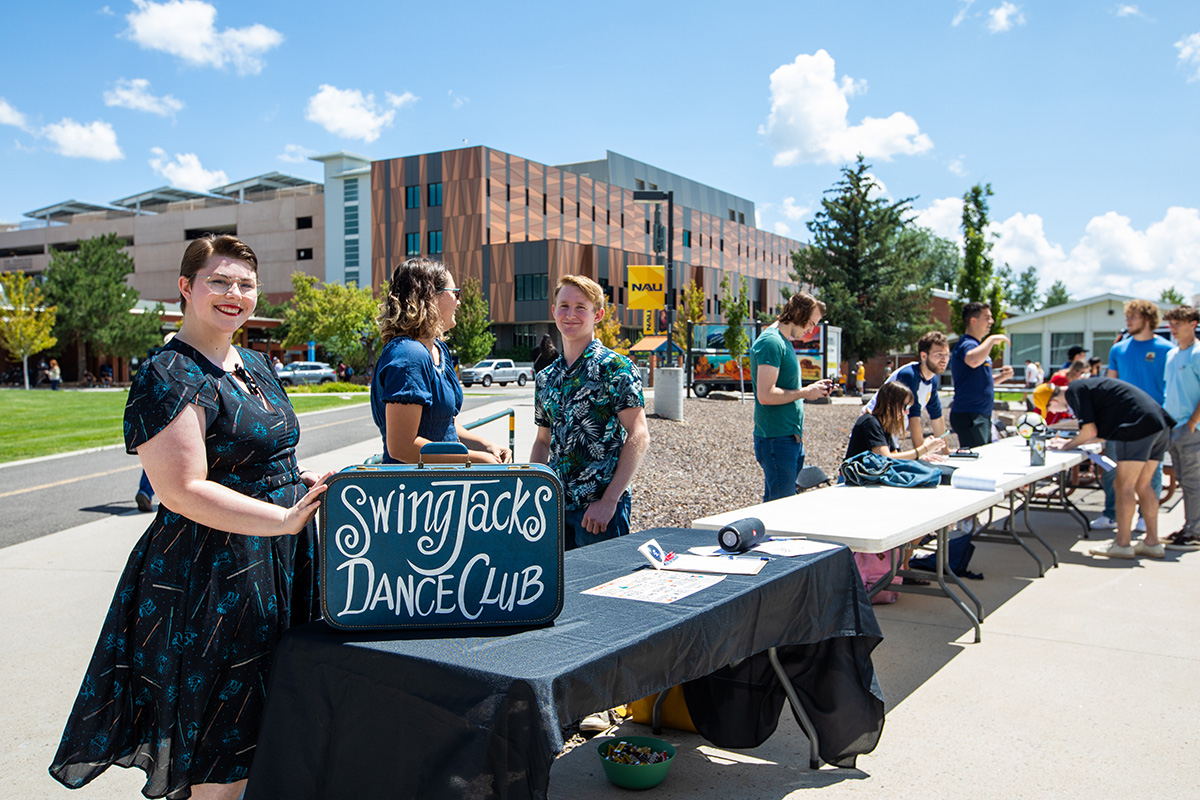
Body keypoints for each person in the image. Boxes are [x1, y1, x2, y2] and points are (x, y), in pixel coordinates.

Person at [50, 235, 330, 799]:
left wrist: (295, 486)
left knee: (265, 734)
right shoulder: (169, 374)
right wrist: (279, 519)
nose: (234, 294)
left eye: (245, 285)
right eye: (219, 282)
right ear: (186, 287)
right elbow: (181, 490)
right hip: (212, 576)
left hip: (275, 561)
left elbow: (263, 457)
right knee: (220, 751)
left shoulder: (254, 362)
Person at [531, 274, 649, 550]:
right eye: (564, 306)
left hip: (599, 513)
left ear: (598, 315)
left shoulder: (616, 368)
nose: (570, 314)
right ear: (554, 311)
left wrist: (609, 500)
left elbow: (639, 434)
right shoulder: (546, 377)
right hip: (555, 508)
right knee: (561, 590)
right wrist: (534, 496)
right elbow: (542, 441)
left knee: (603, 590)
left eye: (581, 307)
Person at [372, 257, 511, 466]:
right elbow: (402, 446)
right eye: (455, 293)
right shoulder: (409, 355)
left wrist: (484, 445)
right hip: (415, 492)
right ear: (430, 296)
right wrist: (472, 459)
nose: (459, 301)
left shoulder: (439, 349)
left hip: (441, 488)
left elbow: (443, 426)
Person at [1047, 378, 1173, 558]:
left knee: (1124, 485)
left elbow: (1088, 431)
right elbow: (1097, 434)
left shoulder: (1075, 391)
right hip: (1157, 422)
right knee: (1143, 485)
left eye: (1051, 409)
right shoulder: (1087, 387)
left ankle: (1122, 544)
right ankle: (1152, 543)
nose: (1058, 412)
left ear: (1053, 401)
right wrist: (1070, 442)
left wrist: (1065, 447)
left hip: (1136, 426)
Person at [1090, 298, 1172, 532]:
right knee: (1112, 469)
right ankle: (1111, 514)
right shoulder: (1119, 348)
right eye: (1127, 317)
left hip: (1152, 420)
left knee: (1150, 472)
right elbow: (1111, 383)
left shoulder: (1166, 349)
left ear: (1147, 319)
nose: (1127, 321)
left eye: (1132, 317)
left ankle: (1146, 518)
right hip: (1121, 420)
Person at [749, 292, 834, 502]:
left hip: (787, 438)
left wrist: (812, 389)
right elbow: (765, 395)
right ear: (798, 313)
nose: (811, 330)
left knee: (779, 504)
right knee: (780, 508)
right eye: (811, 323)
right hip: (776, 439)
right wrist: (806, 392)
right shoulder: (771, 342)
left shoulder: (783, 341)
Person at [862, 330, 951, 450]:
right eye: (939, 354)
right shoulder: (909, 375)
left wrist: (947, 452)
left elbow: (937, 416)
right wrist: (922, 452)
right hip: (873, 437)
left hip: (890, 440)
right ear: (923, 356)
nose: (944, 359)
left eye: (946, 354)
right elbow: (913, 417)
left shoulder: (932, 379)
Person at [949, 302, 1014, 448]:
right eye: (987, 317)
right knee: (976, 462)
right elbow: (972, 360)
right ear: (973, 320)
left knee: (982, 458)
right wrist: (991, 340)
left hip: (979, 414)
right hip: (970, 414)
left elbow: (982, 382)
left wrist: (1003, 377)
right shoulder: (967, 343)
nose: (991, 321)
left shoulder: (977, 346)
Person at [1162, 305, 1200, 550]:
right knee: (1184, 481)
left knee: (1194, 481)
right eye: (1171, 323)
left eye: (1178, 323)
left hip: (1192, 429)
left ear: (1193, 324)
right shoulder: (1172, 354)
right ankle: (1190, 527)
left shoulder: (1198, 353)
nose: (1172, 328)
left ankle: (1195, 532)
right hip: (1174, 427)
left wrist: (1193, 423)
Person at [846, 382, 948, 462]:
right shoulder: (870, 422)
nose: (907, 412)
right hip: (853, 481)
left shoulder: (883, 425)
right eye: (905, 407)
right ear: (890, 404)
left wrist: (922, 455)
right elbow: (885, 458)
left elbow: (895, 456)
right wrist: (924, 449)